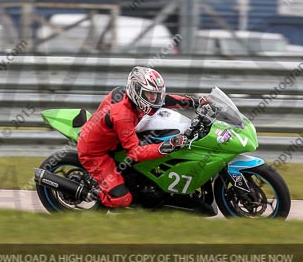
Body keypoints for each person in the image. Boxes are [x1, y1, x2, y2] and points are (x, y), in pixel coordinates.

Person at [77, 66, 208, 208]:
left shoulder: (135, 98)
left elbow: (167, 100)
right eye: (150, 94)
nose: (155, 99)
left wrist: (196, 101)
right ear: (136, 92)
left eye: (156, 94)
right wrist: (169, 145)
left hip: (116, 139)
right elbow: (134, 153)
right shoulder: (122, 115)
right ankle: (94, 194)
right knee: (123, 199)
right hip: (96, 152)